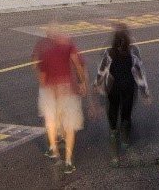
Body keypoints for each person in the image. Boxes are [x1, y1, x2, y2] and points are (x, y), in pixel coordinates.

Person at [33, 22, 87, 174]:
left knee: (51, 122)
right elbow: (78, 64)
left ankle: (54, 151)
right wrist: (82, 82)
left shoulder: (46, 52)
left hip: (51, 91)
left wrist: (47, 88)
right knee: (70, 127)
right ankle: (68, 161)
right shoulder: (68, 46)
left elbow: (42, 76)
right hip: (67, 90)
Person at [94, 24, 151, 166]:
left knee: (113, 121)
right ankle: (125, 142)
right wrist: (145, 92)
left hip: (113, 90)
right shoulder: (134, 52)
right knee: (126, 116)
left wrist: (97, 84)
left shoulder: (109, 53)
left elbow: (102, 71)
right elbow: (139, 73)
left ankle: (115, 156)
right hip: (128, 89)